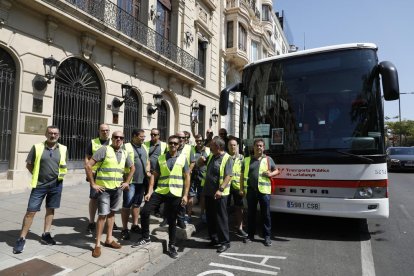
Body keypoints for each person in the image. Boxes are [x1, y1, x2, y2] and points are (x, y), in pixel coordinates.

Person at [133, 135, 190, 259]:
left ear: (178, 145)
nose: (173, 145)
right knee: (145, 211)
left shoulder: (182, 159)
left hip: (175, 193)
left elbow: (187, 177)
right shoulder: (161, 158)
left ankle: (172, 246)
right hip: (161, 191)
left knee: (172, 220)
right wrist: (149, 192)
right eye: (171, 143)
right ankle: (146, 237)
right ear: (168, 144)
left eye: (175, 143)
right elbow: (154, 176)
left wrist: (185, 195)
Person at [13, 126, 68, 254]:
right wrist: (37, 176)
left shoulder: (63, 148)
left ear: (59, 135)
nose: (53, 135)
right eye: (50, 133)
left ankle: (46, 234)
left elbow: (63, 164)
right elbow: (29, 164)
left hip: (56, 185)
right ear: (45, 134)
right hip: (39, 185)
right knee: (30, 212)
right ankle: (22, 238)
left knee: (50, 209)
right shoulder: (37, 147)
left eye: (55, 133)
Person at [85, 131, 135, 258]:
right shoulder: (104, 149)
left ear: (123, 139)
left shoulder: (124, 153)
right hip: (104, 189)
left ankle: (109, 239)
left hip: (117, 189)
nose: (118, 139)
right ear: (112, 138)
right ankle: (97, 244)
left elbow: (132, 168)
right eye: (116, 137)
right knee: (102, 215)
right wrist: (93, 184)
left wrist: (127, 182)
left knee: (112, 213)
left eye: (121, 137)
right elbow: (88, 165)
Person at [240, 138, 280, 246]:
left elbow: (277, 170)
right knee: (251, 215)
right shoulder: (247, 160)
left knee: (265, 215)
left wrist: (271, 174)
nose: (259, 147)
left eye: (261, 146)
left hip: (264, 192)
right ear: (253, 147)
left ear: (264, 147)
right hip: (251, 191)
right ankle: (250, 235)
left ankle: (267, 237)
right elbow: (242, 175)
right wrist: (241, 189)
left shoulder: (268, 159)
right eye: (257, 145)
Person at [200, 136, 233, 253]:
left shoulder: (227, 158)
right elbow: (201, 166)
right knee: (211, 217)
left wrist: (221, 189)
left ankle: (225, 242)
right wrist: (201, 160)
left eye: (212, 145)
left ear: (218, 147)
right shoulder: (212, 156)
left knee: (221, 218)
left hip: (219, 194)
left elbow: (228, 175)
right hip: (209, 192)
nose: (210, 147)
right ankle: (214, 239)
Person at [120, 129, 151, 240]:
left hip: (142, 181)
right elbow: (121, 162)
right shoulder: (126, 146)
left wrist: (147, 171)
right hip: (130, 181)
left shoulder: (144, 147)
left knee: (137, 204)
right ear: (134, 136)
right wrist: (125, 180)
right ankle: (124, 229)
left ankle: (134, 225)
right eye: (141, 136)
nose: (143, 138)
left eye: (144, 136)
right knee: (127, 205)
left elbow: (147, 161)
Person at [84, 124, 110, 234]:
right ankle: (91, 222)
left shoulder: (113, 142)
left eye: (107, 130)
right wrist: (89, 172)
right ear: (99, 131)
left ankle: (109, 221)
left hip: (109, 175)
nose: (105, 132)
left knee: (109, 198)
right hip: (95, 175)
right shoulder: (93, 142)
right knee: (94, 198)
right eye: (102, 130)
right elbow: (87, 158)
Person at [144, 128, 167, 218]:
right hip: (148, 173)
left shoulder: (164, 145)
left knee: (157, 192)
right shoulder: (146, 144)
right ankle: (147, 210)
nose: (153, 136)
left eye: (155, 134)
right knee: (148, 191)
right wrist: (147, 171)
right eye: (151, 134)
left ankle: (156, 210)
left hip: (159, 173)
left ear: (159, 135)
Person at [227, 136, 248, 238]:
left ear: (237, 146)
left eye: (234, 145)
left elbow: (243, 174)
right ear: (228, 146)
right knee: (224, 208)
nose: (232, 147)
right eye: (230, 145)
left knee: (239, 208)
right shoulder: (225, 157)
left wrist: (242, 188)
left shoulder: (242, 158)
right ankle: (224, 228)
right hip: (226, 186)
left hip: (237, 187)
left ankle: (240, 228)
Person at [189, 134, 210, 223]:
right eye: (197, 141)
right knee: (190, 195)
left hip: (203, 176)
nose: (198, 142)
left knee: (202, 196)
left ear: (203, 141)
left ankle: (202, 214)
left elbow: (205, 159)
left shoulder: (207, 150)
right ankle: (188, 215)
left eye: (200, 141)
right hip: (193, 176)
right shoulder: (192, 149)